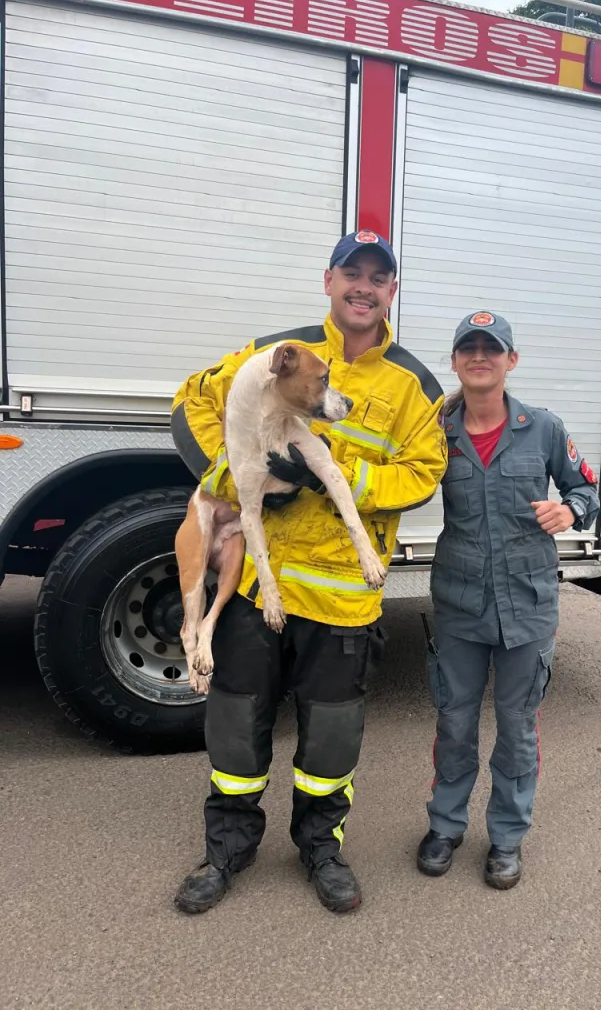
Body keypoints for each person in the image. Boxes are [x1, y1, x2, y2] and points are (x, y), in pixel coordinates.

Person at [170, 230, 447, 914]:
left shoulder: (414, 384)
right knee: (236, 728)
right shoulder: (276, 351)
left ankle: (321, 849)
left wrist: (340, 476)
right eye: (351, 272)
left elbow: (424, 472)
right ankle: (226, 849)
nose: (364, 285)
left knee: (330, 740)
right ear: (328, 281)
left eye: (378, 277)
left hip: (344, 601)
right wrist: (239, 465)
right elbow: (192, 398)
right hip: (255, 588)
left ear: (391, 292)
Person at [416, 311, 599, 889]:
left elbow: (586, 489)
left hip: (529, 602)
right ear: (454, 362)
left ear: (510, 361)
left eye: (491, 349)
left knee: (517, 728)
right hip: (460, 605)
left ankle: (506, 839)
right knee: (454, 723)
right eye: (468, 348)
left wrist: (570, 511)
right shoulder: (434, 433)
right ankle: (445, 827)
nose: (479, 356)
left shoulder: (542, 428)